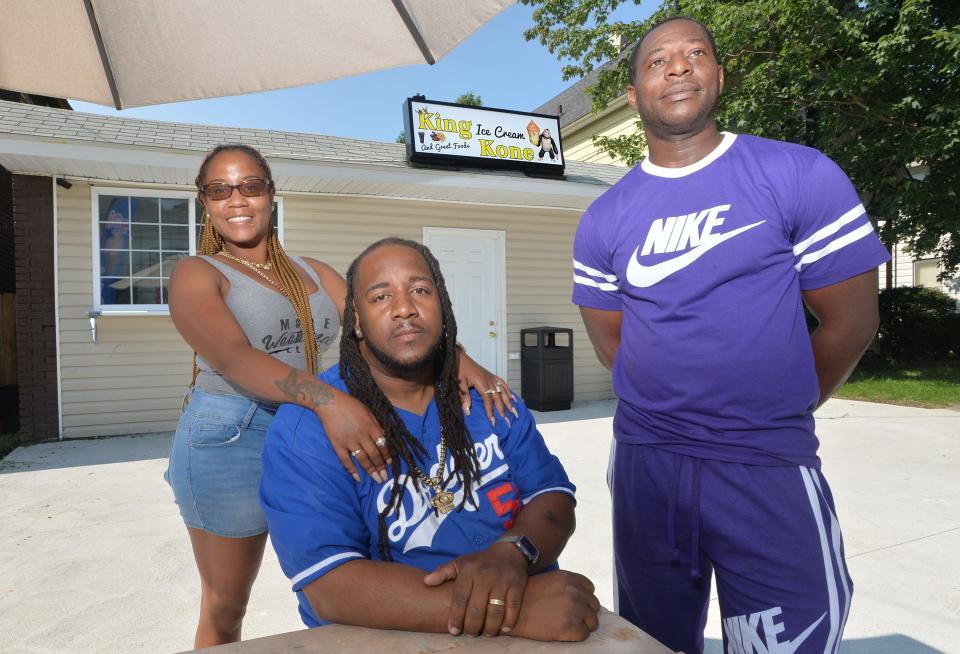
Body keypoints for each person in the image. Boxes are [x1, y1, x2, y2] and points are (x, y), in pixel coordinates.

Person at [571, 16, 891, 654]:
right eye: (657, 60)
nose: (679, 66)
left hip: (764, 466)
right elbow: (615, 346)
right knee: (649, 643)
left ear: (719, 75)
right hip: (647, 467)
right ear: (633, 96)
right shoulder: (603, 220)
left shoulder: (798, 174)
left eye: (695, 54)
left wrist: (776, 404)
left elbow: (851, 323)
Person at [165, 145, 514, 648]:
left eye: (250, 186)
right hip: (231, 438)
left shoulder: (313, 272)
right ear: (204, 201)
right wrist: (329, 401)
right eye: (219, 190)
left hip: (310, 428)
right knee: (227, 604)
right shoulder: (197, 273)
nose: (236, 200)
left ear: (270, 193)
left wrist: (460, 358)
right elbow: (234, 357)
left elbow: (378, 322)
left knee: (352, 575)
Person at [259, 238, 600, 641]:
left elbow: (552, 495)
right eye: (381, 296)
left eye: (420, 290)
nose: (404, 308)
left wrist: (514, 552)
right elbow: (330, 586)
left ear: (444, 308)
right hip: (392, 636)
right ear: (355, 321)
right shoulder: (307, 431)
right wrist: (512, 611)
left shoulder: (487, 396)